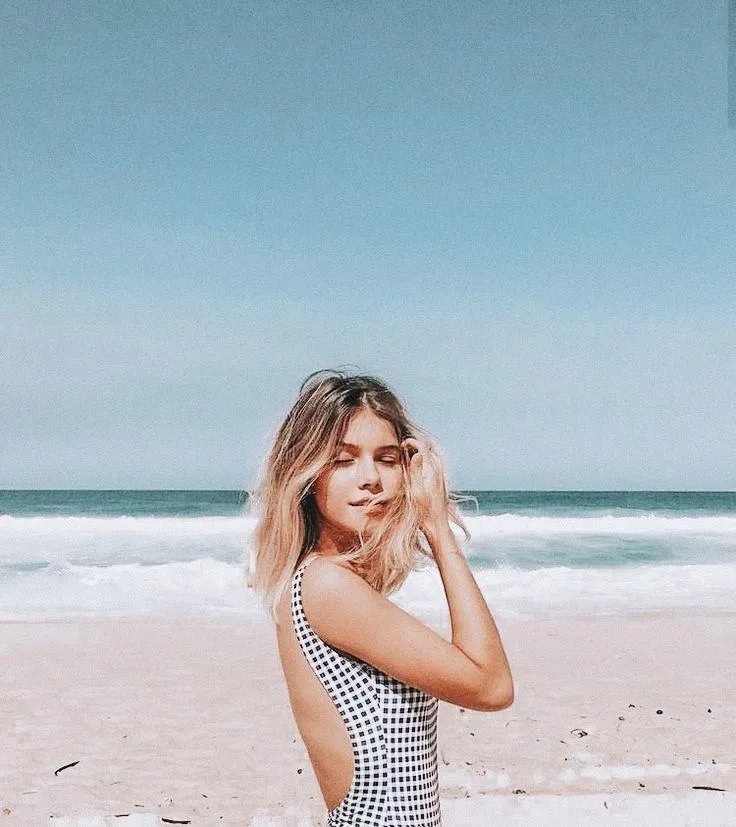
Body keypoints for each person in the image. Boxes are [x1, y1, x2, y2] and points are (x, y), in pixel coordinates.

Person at [249, 369, 513, 826]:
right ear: (307, 474)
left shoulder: (319, 583)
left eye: (387, 459)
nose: (370, 479)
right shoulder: (328, 588)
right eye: (343, 460)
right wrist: (438, 530)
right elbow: (491, 686)